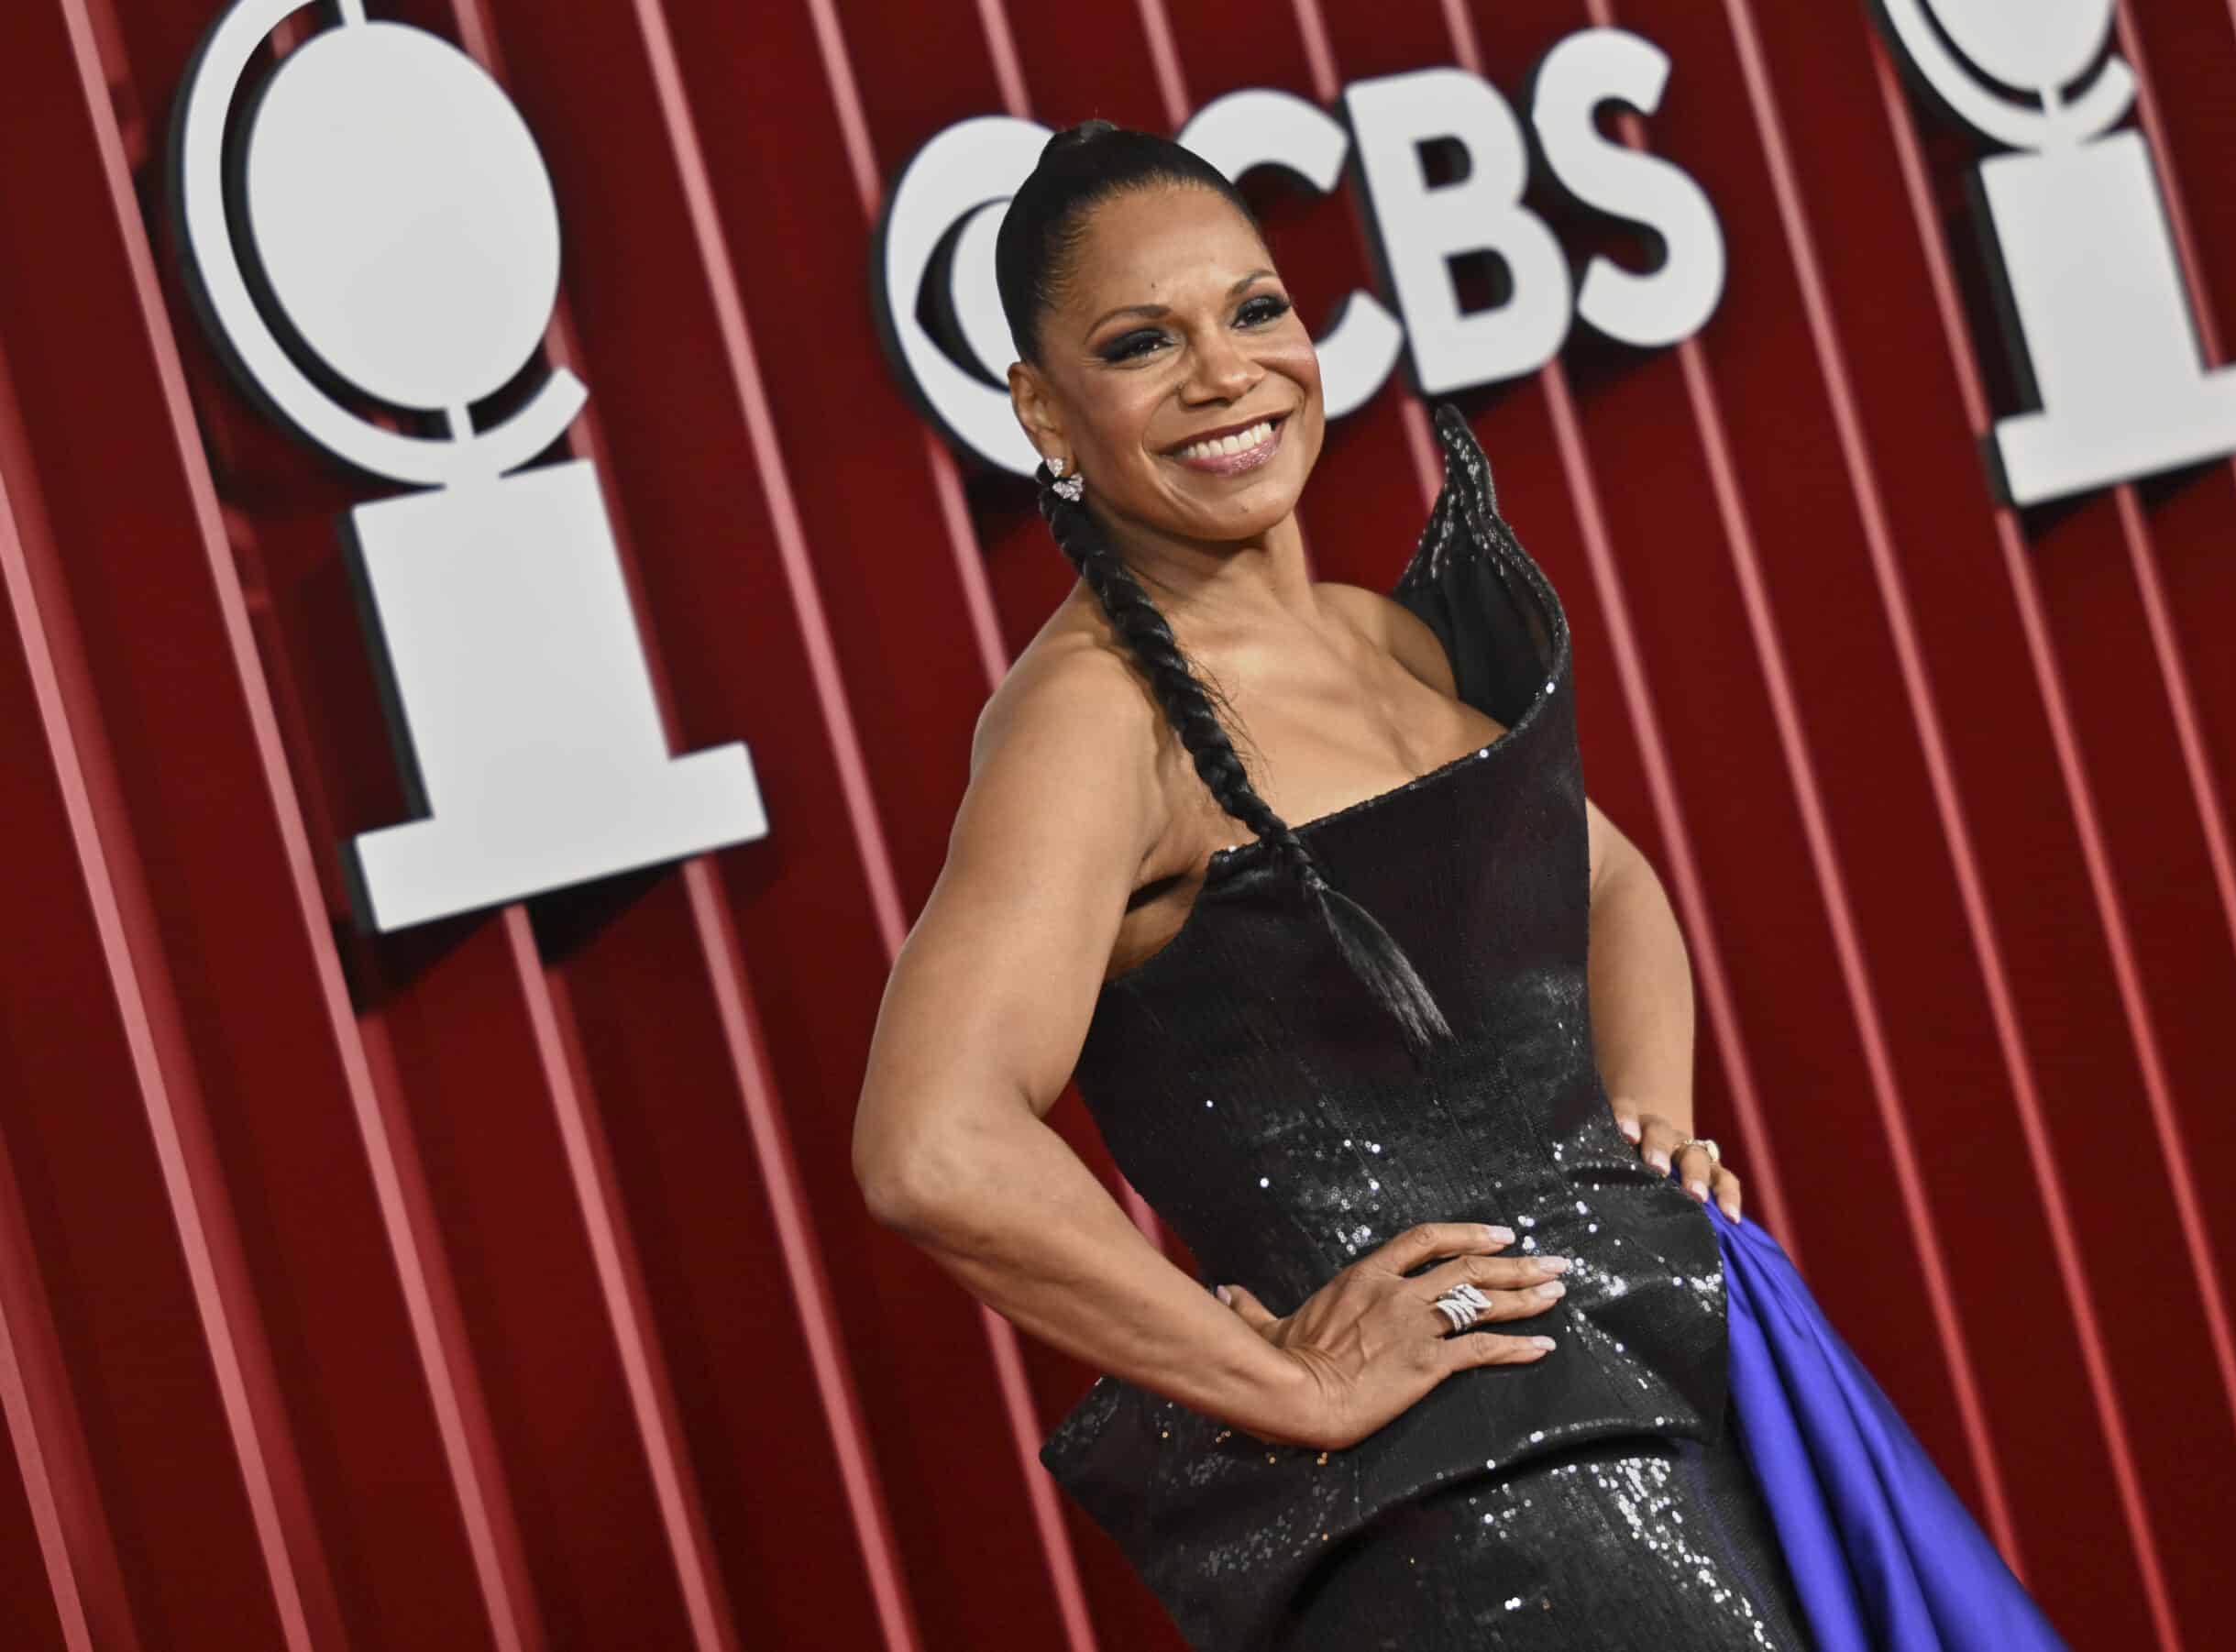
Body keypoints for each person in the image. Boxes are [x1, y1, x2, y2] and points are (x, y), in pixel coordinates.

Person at [853, 120, 2068, 1651]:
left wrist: (1648, 1126)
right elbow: (932, 1141)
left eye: (1256, 309)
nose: (1227, 373)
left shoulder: (1395, 641)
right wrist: (1294, 1385)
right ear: (1044, 407)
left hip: (1680, 1382)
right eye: (1142, 342)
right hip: (1496, 1518)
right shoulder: (1096, 719)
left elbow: (1608, 885)